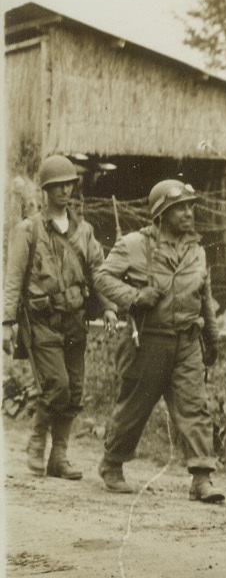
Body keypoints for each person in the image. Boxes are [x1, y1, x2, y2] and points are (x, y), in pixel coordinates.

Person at [94, 179, 224, 502]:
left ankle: (202, 478)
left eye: (191, 206)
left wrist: (212, 336)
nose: (188, 213)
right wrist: (135, 297)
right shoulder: (135, 245)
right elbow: (102, 277)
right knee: (134, 407)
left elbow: (204, 295)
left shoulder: (197, 251)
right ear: (161, 213)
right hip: (147, 341)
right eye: (179, 207)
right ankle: (112, 464)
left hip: (187, 342)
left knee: (195, 407)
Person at [3, 156, 117, 478]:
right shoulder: (28, 231)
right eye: (58, 185)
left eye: (69, 184)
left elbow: (98, 273)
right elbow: (13, 279)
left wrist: (108, 306)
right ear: (46, 190)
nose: (65, 190)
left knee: (75, 390)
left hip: (75, 321)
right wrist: (7, 323)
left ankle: (59, 456)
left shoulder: (84, 231)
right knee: (57, 386)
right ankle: (36, 442)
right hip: (41, 322)